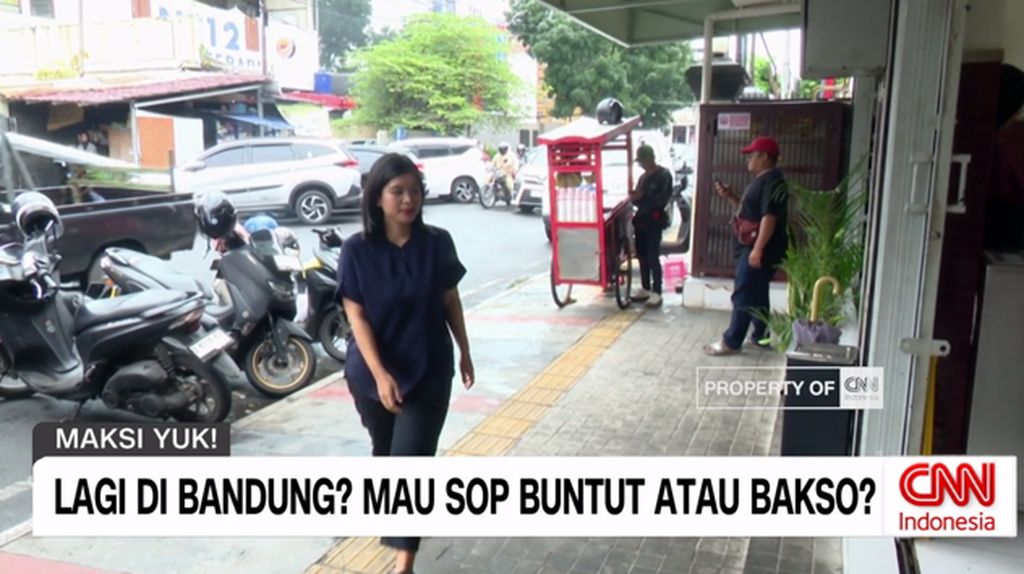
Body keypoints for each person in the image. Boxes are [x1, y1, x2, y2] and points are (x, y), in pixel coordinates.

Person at [336, 153, 474, 574]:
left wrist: (465, 350)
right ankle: (397, 524)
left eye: (414, 190)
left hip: (429, 366)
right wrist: (379, 376)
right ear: (377, 197)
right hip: (371, 372)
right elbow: (355, 315)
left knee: (411, 462)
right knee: (387, 454)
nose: (407, 200)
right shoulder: (356, 250)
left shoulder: (438, 242)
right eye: (397, 192)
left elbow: (449, 299)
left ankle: (403, 564)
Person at [704, 136, 789, 355]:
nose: (748, 160)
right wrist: (730, 196)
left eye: (752, 155)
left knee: (743, 292)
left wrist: (758, 249)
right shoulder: (763, 180)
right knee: (758, 293)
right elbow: (749, 213)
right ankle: (760, 336)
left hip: (756, 248)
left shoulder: (772, 181)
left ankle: (731, 341)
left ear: (764, 157)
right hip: (752, 246)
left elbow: (768, 218)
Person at [628, 143, 673, 308]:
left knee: (653, 256)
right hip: (641, 221)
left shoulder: (664, 175)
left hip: (654, 222)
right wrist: (635, 197)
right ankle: (645, 287)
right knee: (641, 256)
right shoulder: (643, 177)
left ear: (651, 159)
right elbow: (639, 201)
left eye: (643, 162)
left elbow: (662, 200)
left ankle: (657, 291)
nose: (642, 165)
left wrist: (643, 195)